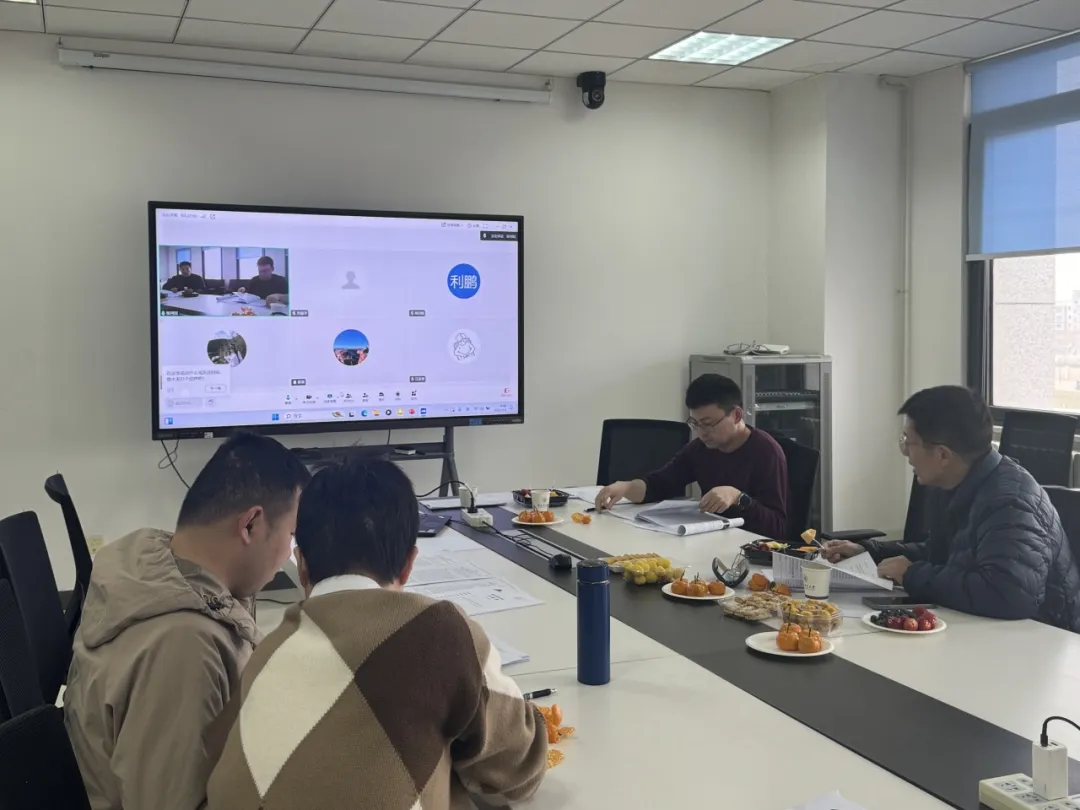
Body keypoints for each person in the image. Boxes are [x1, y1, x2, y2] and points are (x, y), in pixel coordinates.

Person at [206, 457, 548, 810]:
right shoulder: (440, 630)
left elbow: (217, 750)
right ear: (409, 563)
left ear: (301, 564)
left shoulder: (266, 652)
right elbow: (519, 770)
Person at [64, 433, 311, 810]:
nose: (288, 556)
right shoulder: (184, 647)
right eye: (291, 536)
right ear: (250, 525)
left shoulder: (149, 567)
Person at [823, 386, 1080, 631]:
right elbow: (943, 554)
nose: (905, 453)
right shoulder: (958, 482)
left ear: (943, 455)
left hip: (1038, 639)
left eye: (908, 442)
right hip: (985, 629)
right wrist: (870, 552)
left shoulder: (1010, 503)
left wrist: (911, 575)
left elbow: (1007, 595)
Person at [594, 374, 788, 539]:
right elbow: (660, 484)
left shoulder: (766, 452)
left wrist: (738, 497)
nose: (701, 432)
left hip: (748, 549)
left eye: (708, 423)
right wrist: (626, 487)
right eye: (695, 423)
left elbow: (777, 528)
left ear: (737, 415)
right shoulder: (700, 449)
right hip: (711, 539)